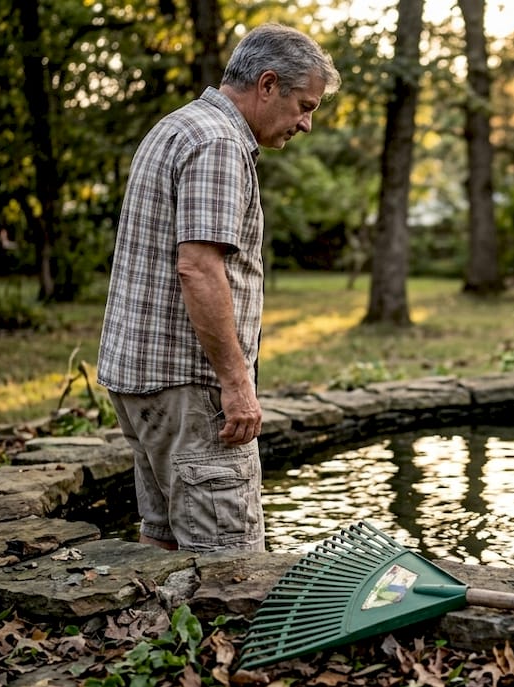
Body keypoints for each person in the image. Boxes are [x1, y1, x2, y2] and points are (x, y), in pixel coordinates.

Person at [97, 24, 341, 552]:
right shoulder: (220, 143)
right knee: (228, 566)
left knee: (162, 544)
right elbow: (199, 268)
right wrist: (236, 383)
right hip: (190, 389)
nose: (306, 123)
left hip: (143, 381)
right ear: (268, 84)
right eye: (305, 105)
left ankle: (162, 636)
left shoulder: (179, 126)